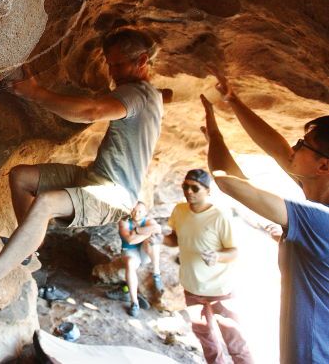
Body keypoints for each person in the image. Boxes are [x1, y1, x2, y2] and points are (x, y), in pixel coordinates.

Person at [0, 27, 163, 300]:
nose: (112, 72)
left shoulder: (135, 94)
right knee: (21, 177)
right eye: (109, 64)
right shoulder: (151, 96)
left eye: (118, 65)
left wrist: (35, 93)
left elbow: (91, 112)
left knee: (45, 203)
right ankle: (28, 247)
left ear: (141, 62)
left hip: (113, 194)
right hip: (96, 176)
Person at [201, 74, 329, 364]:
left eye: (303, 144)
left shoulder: (319, 219)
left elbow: (229, 182)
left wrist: (214, 134)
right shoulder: (319, 196)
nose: (293, 148)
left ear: (323, 166)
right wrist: (233, 100)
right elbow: (278, 150)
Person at [163, 169, 253, 364]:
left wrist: (217, 256)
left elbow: (234, 252)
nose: (189, 191)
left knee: (234, 339)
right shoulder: (179, 210)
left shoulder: (220, 216)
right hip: (192, 287)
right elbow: (174, 239)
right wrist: (159, 238)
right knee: (207, 340)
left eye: (195, 188)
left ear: (208, 191)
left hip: (220, 289)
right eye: (185, 186)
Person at [113, 201, 163, 316]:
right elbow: (130, 240)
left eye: (140, 211)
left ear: (145, 212)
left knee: (152, 241)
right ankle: (134, 303)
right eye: (134, 210)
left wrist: (136, 231)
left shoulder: (149, 221)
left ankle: (156, 273)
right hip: (130, 251)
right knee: (130, 263)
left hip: (144, 252)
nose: (136, 213)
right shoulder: (124, 221)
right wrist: (148, 231)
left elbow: (158, 229)